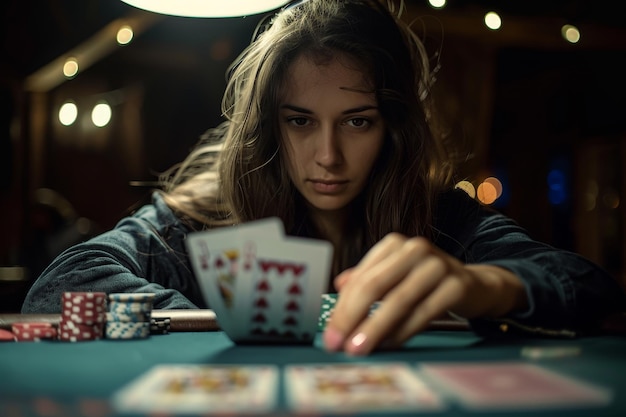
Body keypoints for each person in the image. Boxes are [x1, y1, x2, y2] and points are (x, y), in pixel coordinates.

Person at [21, 0, 625, 355]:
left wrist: (484, 287)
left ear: (392, 129)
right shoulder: (199, 214)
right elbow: (64, 283)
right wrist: (226, 328)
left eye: (357, 122)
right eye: (301, 122)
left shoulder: (439, 218)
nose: (328, 155)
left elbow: (589, 287)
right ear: (267, 127)